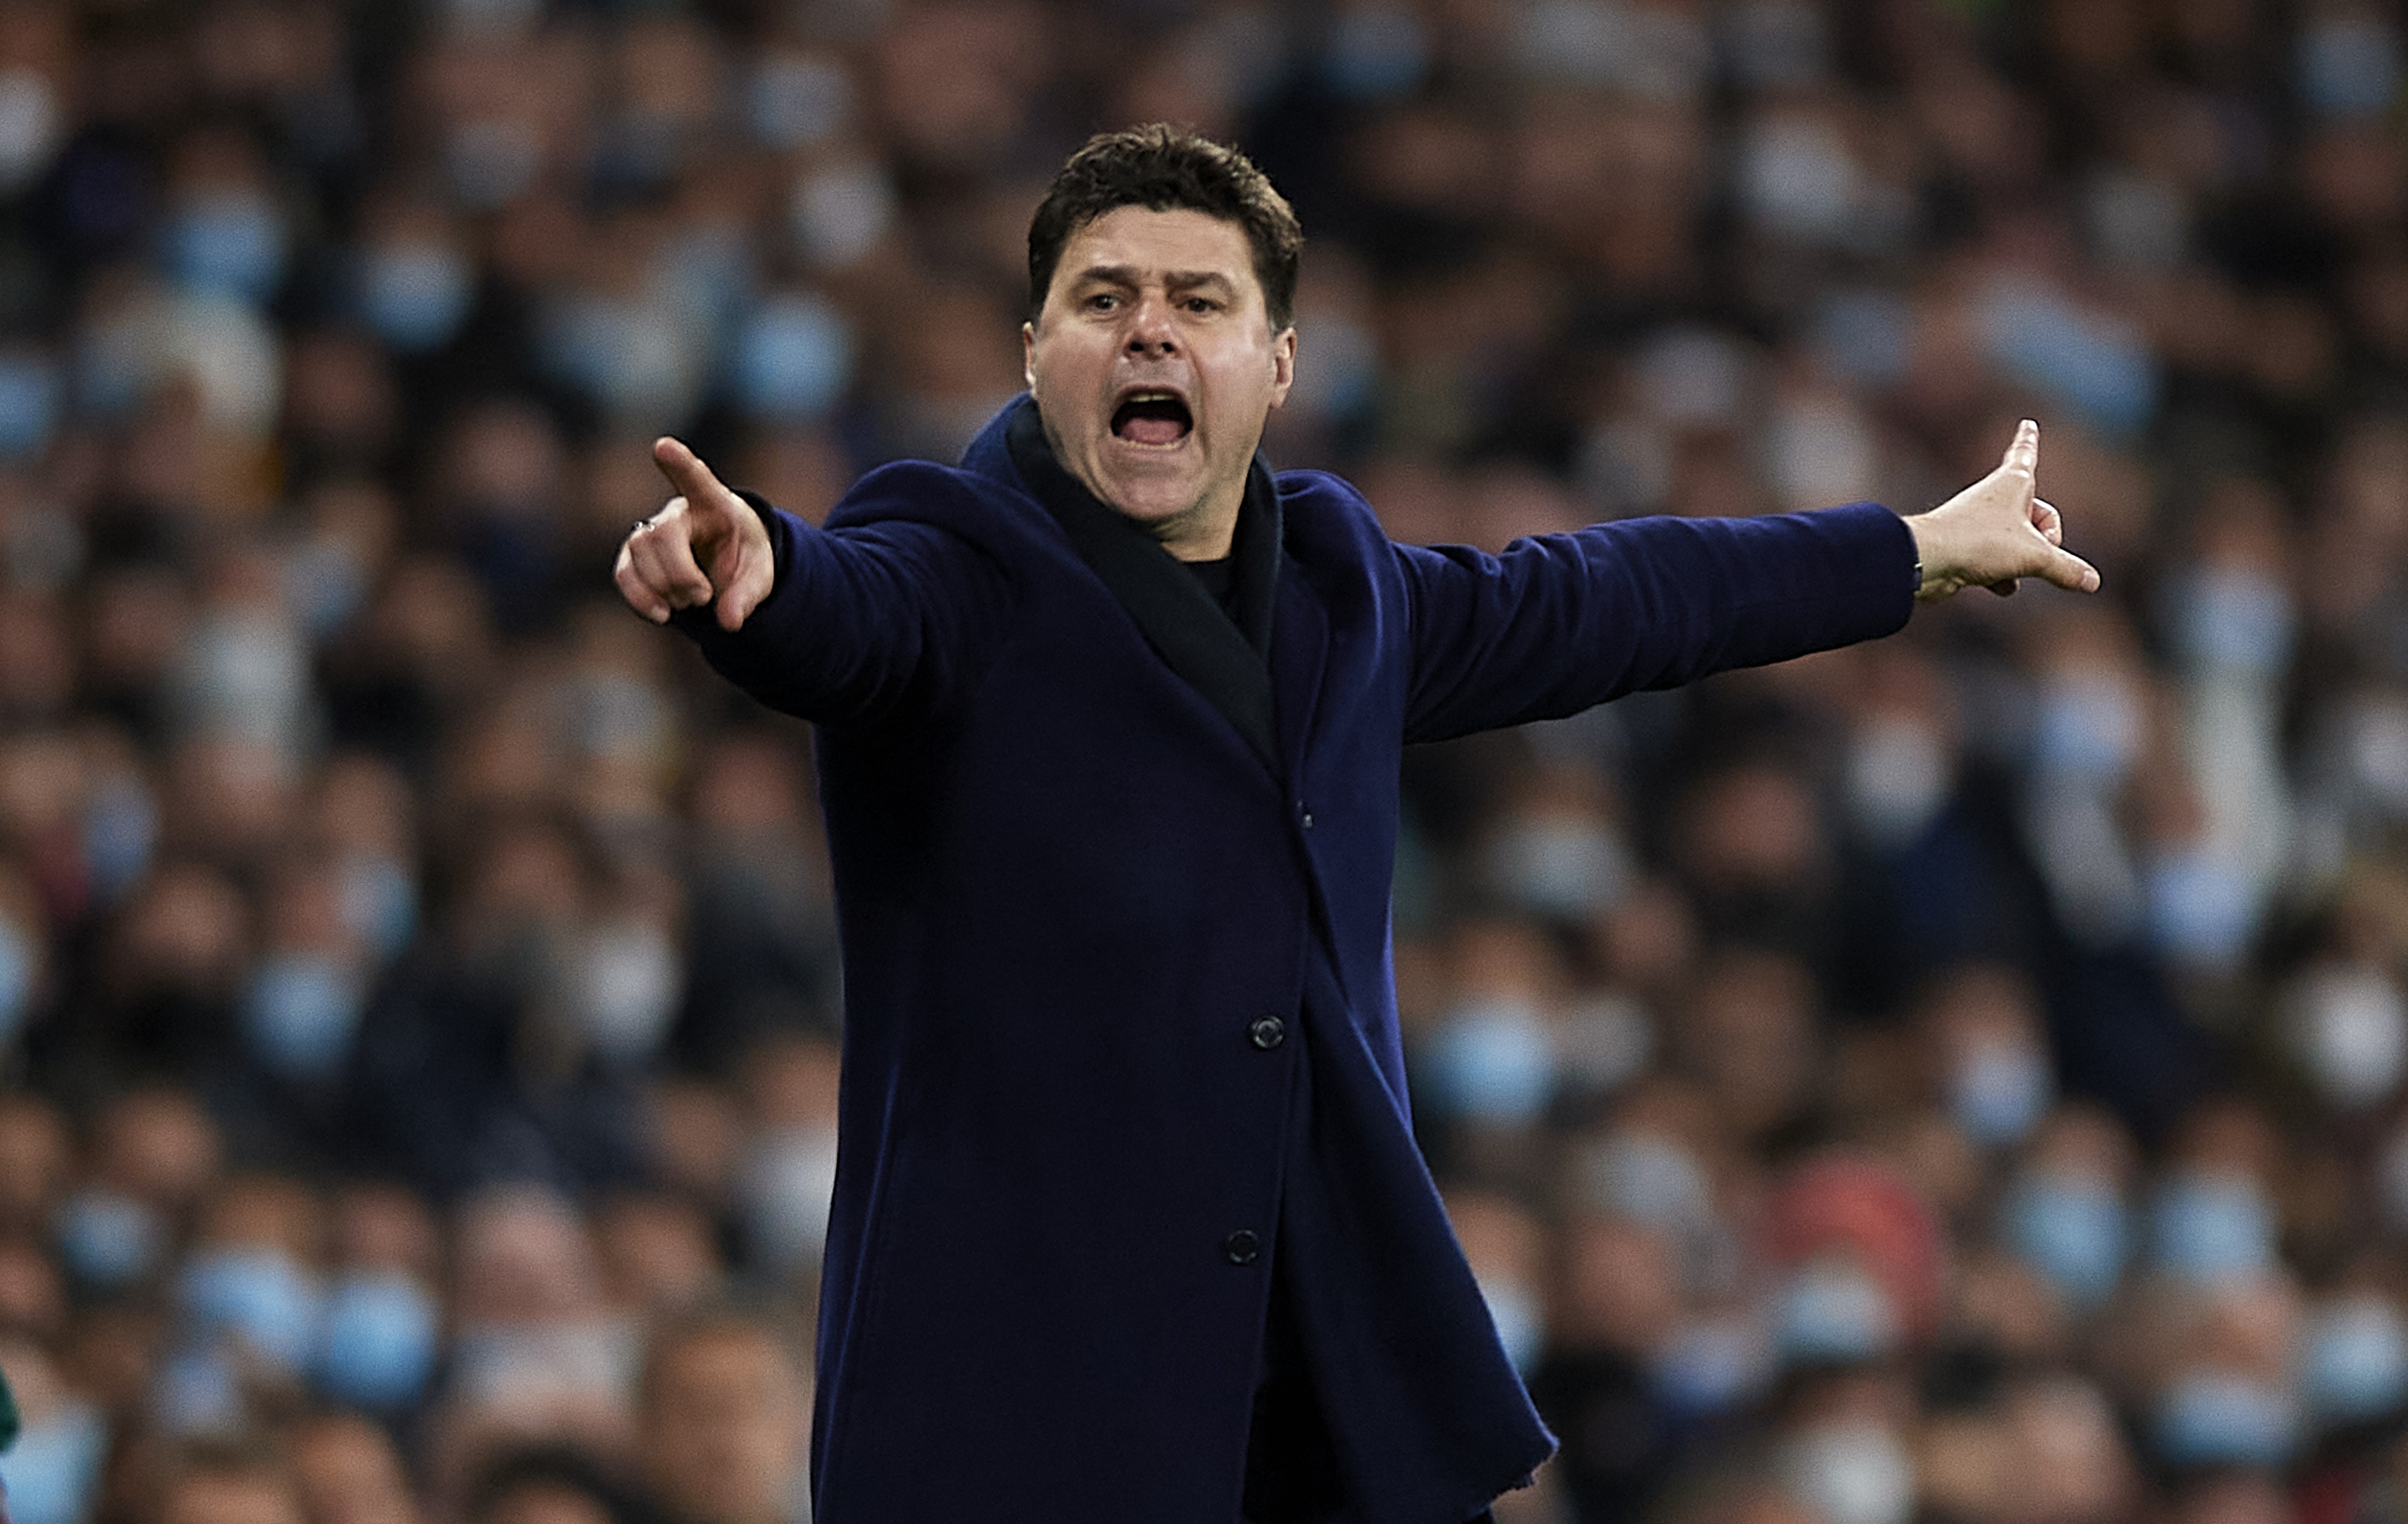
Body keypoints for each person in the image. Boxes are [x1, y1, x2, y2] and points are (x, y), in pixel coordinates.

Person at [613, 125, 2096, 1524]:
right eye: (1100, 297)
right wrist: (764, 578)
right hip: (1026, 1414)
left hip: (1323, 1394)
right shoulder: (947, 562)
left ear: (1274, 364)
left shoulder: (1341, 587)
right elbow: (847, 616)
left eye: (1198, 301)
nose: (1148, 330)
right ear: (1033, 349)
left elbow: (1612, 599)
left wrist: (1904, 554)